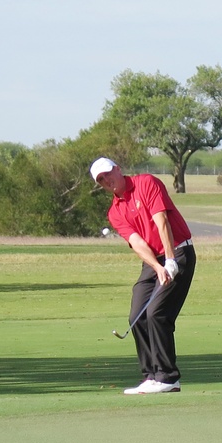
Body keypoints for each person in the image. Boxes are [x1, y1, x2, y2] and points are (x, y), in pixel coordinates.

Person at [90, 157, 196, 394]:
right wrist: (158, 268)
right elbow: (137, 243)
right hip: (153, 261)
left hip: (178, 250)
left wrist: (169, 261)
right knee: (137, 314)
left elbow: (163, 222)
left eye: (108, 174)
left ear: (118, 169)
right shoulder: (115, 211)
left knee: (156, 313)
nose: (106, 180)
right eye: (101, 180)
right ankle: (151, 375)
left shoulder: (146, 183)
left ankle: (168, 377)